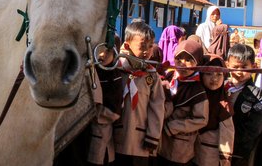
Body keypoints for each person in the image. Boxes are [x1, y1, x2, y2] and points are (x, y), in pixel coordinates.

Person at [107, 22, 165, 166]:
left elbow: (157, 107)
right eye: (142, 46)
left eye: (150, 46)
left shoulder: (152, 76)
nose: (147, 51)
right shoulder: (116, 70)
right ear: (127, 46)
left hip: (142, 140)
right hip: (116, 136)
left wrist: (153, 136)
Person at [158, 40, 209, 165]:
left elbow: (201, 119)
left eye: (189, 60)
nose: (183, 64)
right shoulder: (169, 76)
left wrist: (174, 126)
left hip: (180, 145)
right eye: (179, 59)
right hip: (160, 142)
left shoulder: (197, 89)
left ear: (197, 62)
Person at [87, 35, 123, 165]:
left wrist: (89, 114)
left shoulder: (115, 77)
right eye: (98, 48)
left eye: (108, 50)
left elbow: (113, 111)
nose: (102, 54)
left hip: (101, 134)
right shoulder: (90, 71)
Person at [225, 44, 262, 166]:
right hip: (217, 145)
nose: (239, 71)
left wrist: (235, 145)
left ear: (254, 67)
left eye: (244, 67)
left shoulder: (257, 95)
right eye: (235, 67)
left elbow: (254, 128)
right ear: (227, 65)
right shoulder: (221, 87)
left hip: (240, 152)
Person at [193, 54, 234, 166]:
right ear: (201, 75)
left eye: (219, 74)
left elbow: (227, 134)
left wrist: (225, 160)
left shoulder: (224, 103)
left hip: (210, 156)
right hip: (188, 153)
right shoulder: (194, 96)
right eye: (209, 74)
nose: (214, 79)